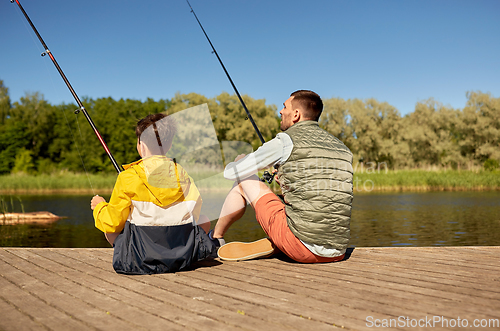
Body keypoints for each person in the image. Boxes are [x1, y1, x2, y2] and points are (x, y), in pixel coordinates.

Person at [212, 90, 353, 263]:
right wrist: (286, 178)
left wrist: (239, 160)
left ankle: (215, 238)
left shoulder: (286, 140)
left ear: (296, 114)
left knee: (243, 179)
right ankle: (280, 242)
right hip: (338, 249)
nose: (281, 111)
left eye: (284, 107)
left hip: (302, 246)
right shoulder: (342, 148)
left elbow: (230, 173)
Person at [90, 113, 223, 275]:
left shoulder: (128, 177)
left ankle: (128, 255)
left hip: (140, 259)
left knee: (109, 228)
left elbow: (112, 223)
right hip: (182, 256)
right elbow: (195, 212)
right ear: (169, 145)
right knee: (204, 220)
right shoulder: (182, 173)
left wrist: (99, 206)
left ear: (141, 145)